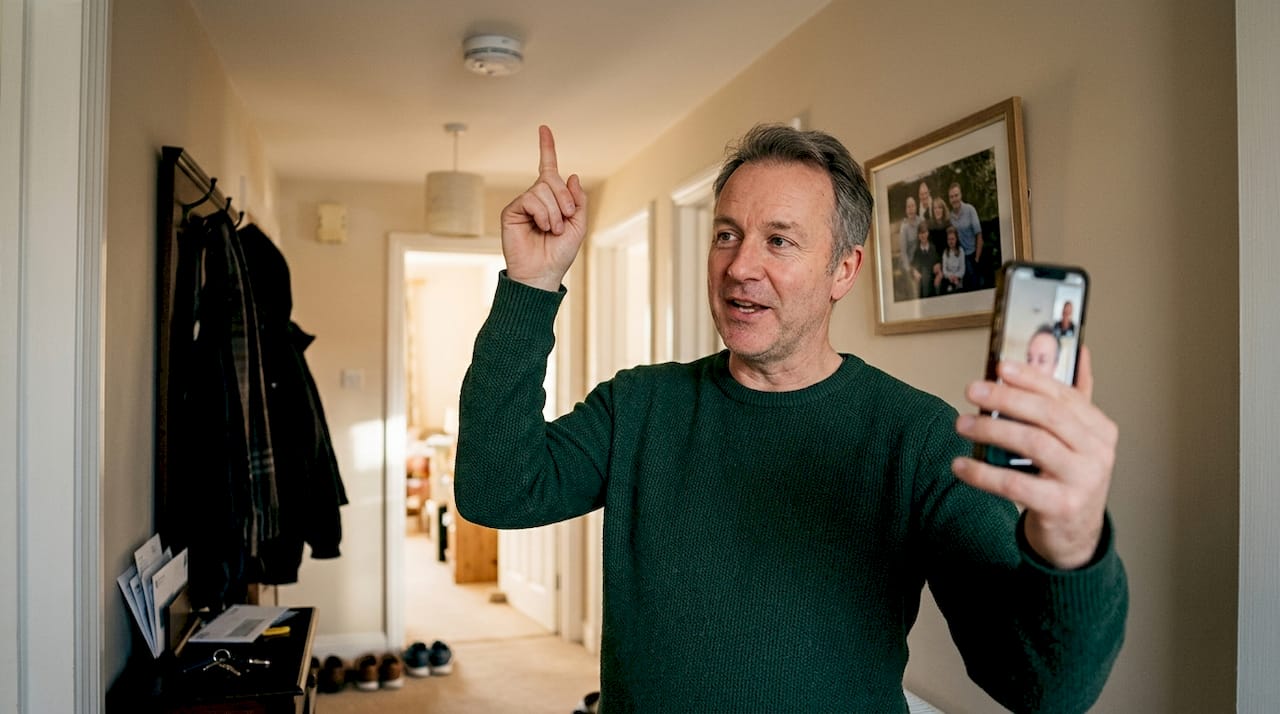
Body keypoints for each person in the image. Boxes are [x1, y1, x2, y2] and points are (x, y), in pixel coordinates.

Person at [455, 124, 1126, 713]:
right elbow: (495, 488)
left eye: (779, 241)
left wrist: (1070, 543)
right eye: (727, 235)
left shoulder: (917, 438)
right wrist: (531, 286)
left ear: (844, 269)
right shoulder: (639, 407)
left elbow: (1046, 690)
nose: (740, 267)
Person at [948, 181, 984, 289]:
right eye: (951, 197)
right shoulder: (950, 217)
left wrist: (977, 259)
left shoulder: (970, 210)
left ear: (961, 195)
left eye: (956, 195)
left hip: (972, 254)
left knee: (974, 285)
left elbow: (979, 235)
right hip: (959, 256)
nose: (954, 199)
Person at [909, 220, 941, 298]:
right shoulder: (917, 251)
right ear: (918, 236)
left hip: (932, 277)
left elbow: (938, 261)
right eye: (920, 233)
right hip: (922, 280)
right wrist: (914, 271)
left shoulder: (933, 248)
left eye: (924, 233)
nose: (923, 235)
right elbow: (912, 266)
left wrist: (939, 266)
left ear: (928, 233)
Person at [898, 195, 926, 278]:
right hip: (908, 262)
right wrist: (911, 270)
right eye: (908, 207)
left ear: (916, 207)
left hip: (920, 260)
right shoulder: (904, 227)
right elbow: (903, 252)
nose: (911, 209)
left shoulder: (921, 221)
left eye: (912, 206)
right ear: (906, 210)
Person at [941, 224, 965, 294]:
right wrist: (950, 277)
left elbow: (962, 269)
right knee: (949, 290)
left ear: (956, 239)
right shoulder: (945, 252)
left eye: (953, 239)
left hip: (958, 278)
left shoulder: (961, 251)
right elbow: (944, 270)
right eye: (949, 239)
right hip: (948, 279)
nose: (951, 241)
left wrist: (956, 277)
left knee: (958, 289)